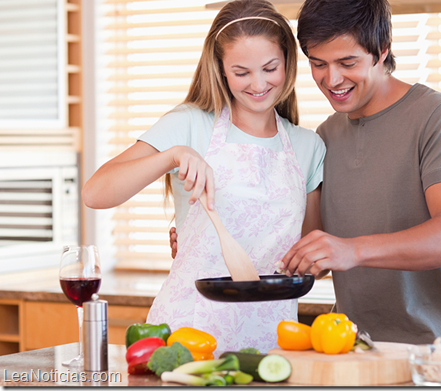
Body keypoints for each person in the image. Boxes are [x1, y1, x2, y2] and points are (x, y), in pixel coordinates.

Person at [82, 0, 325, 353]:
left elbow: (310, 257)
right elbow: (95, 193)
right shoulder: (190, 124)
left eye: (270, 68)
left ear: (288, 61)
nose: (258, 84)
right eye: (241, 72)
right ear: (221, 69)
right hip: (187, 330)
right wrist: (173, 155)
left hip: (271, 338)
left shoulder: (308, 147)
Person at [278, 0, 441, 346]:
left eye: (347, 62)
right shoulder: (325, 137)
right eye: (318, 63)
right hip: (350, 350)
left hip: (433, 357)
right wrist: (202, 236)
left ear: (382, 51)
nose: (332, 79)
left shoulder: (437, 118)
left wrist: (353, 251)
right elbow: (312, 252)